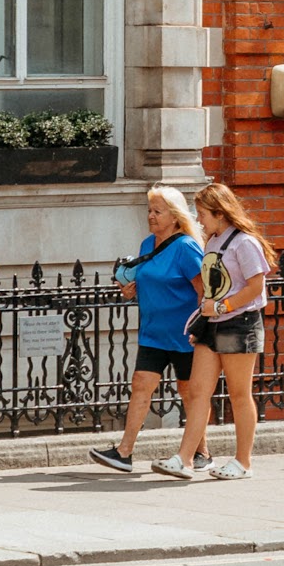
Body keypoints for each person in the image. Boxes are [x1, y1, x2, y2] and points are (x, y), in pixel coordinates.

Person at [157, 183, 276, 481]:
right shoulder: (212, 241)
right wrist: (204, 319)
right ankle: (184, 458)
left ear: (220, 213)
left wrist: (221, 308)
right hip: (212, 325)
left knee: (238, 394)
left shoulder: (244, 243)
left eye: (203, 214)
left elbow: (256, 287)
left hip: (240, 323)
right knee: (198, 391)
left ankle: (243, 462)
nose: (199, 220)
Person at [90, 187, 211, 474]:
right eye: (149, 210)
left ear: (175, 216)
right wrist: (131, 291)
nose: (151, 216)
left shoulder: (186, 247)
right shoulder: (147, 244)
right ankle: (124, 452)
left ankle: (202, 452)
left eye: (158, 211)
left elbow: (202, 290)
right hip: (153, 332)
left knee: (189, 392)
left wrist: (200, 327)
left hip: (184, 334)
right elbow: (149, 279)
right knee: (141, 385)